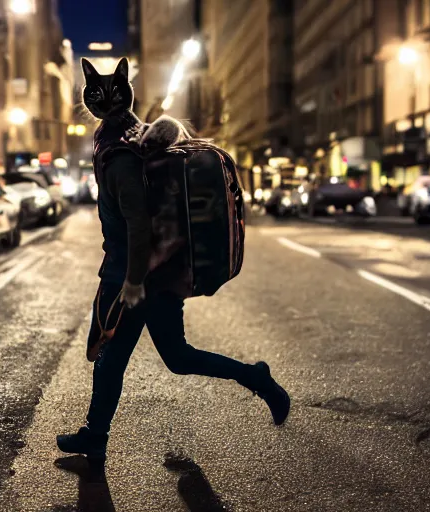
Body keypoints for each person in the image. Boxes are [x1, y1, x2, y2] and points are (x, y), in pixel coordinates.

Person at [56, 138, 291, 466]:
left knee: (114, 359)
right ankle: (255, 377)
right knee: (173, 357)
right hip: (159, 275)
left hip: (146, 278)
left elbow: (138, 228)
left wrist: (132, 281)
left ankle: (95, 438)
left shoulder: (126, 157)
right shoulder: (138, 150)